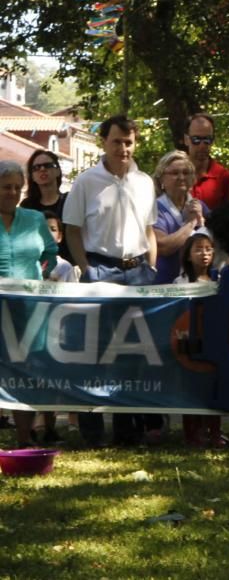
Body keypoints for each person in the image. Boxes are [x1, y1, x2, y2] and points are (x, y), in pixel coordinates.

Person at [63, 114, 160, 447]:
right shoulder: (86, 182)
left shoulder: (145, 182)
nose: (123, 148)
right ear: (103, 142)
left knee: (133, 354)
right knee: (96, 353)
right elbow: (72, 230)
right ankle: (92, 431)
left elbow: (149, 230)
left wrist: (152, 267)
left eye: (129, 142)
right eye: (117, 141)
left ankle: (128, 430)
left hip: (138, 271)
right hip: (100, 268)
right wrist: (86, 268)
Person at [0, 160, 59, 448]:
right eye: (6, 187)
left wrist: (43, 276)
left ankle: (25, 438)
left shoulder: (35, 220)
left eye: (17, 187)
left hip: (29, 310)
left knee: (26, 372)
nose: (12, 192)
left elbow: (51, 253)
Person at [175, 231, 225, 447]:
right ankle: (192, 432)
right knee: (191, 387)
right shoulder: (179, 282)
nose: (204, 253)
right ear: (188, 255)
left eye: (207, 248)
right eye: (198, 249)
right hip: (189, 342)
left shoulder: (220, 279)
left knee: (213, 385)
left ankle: (214, 431)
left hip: (213, 340)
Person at [152, 150, 210, 284]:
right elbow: (163, 247)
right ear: (161, 178)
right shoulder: (155, 208)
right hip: (165, 284)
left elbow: (214, 244)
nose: (181, 177)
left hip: (197, 284)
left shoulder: (200, 206)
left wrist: (201, 221)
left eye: (186, 172)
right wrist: (191, 223)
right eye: (174, 173)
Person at [20, 149, 71, 261]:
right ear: (32, 176)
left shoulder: (70, 201)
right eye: (36, 168)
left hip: (68, 267)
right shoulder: (27, 206)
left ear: (58, 171)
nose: (42, 169)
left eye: (47, 165)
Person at [184, 113, 229, 212]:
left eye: (207, 139)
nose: (202, 145)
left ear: (213, 140)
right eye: (196, 139)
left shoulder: (223, 176)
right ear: (186, 140)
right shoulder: (174, 173)